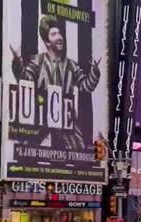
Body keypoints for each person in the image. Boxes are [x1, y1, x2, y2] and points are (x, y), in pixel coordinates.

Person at [10, 15, 101, 150]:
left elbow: (86, 86)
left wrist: (94, 72)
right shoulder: (37, 61)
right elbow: (26, 80)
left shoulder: (71, 65)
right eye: (54, 34)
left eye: (59, 33)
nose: (59, 37)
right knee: (26, 150)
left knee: (78, 151)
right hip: (41, 114)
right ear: (47, 42)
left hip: (66, 117)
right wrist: (17, 64)